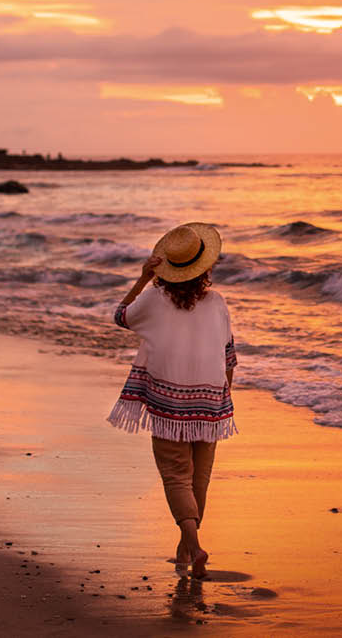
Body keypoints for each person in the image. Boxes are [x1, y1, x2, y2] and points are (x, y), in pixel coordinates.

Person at [107, 222, 238, 579]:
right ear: (204, 267)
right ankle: (184, 555)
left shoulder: (152, 299)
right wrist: (223, 400)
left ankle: (193, 547)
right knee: (200, 480)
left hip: (169, 401)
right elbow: (229, 356)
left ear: (166, 268)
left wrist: (142, 279)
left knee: (177, 477)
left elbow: (120, 316)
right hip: (211, 401)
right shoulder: (216, 303)